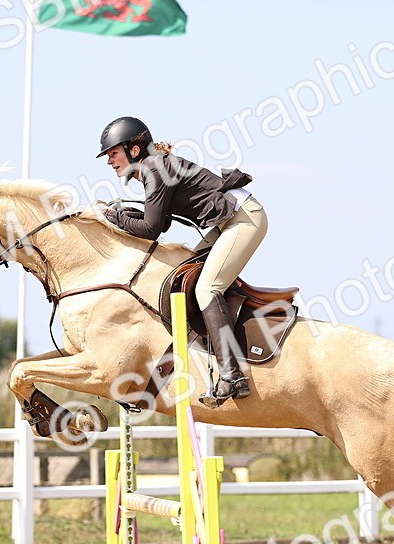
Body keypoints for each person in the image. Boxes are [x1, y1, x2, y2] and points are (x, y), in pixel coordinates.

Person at [96, 116, 268, 405]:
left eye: (113, 153)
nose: (109, 161)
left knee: (206, 288)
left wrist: (114, 216)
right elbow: (159, 224)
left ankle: (232, 374)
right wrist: (121, 215)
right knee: (184, 273)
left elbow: (150, 230)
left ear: (133, 150)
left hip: (244, 219)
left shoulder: (155, 170)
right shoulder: (154, 167)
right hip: (229, 221)